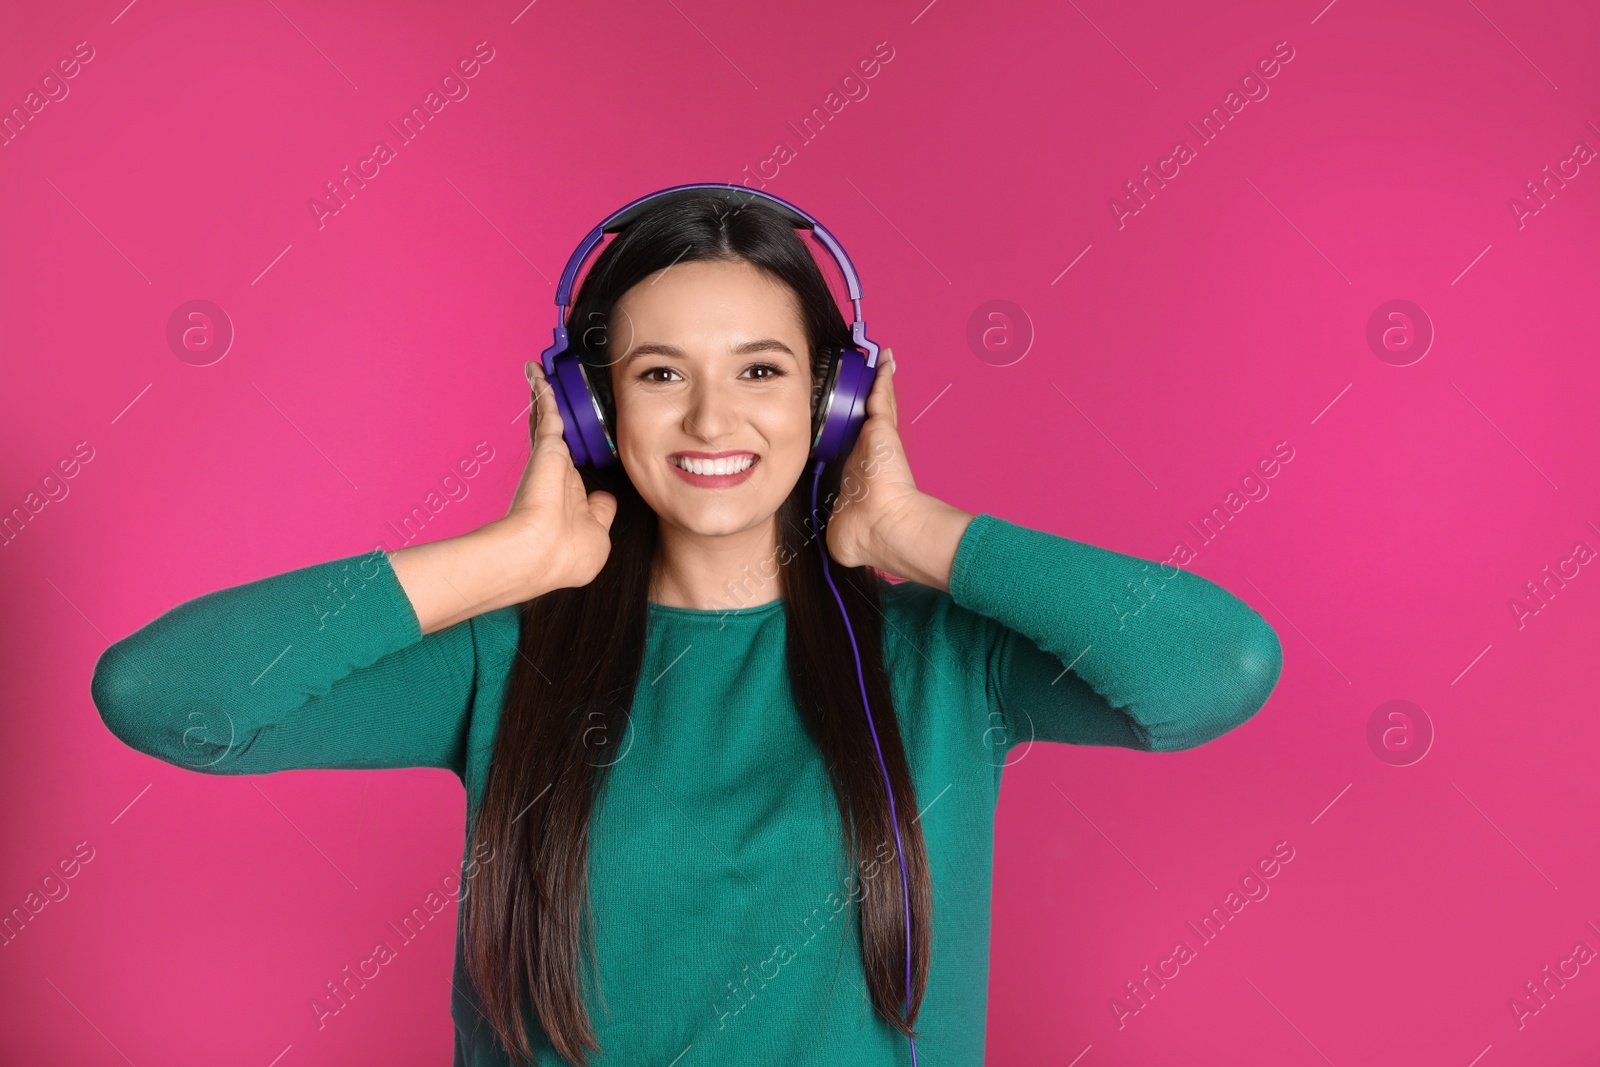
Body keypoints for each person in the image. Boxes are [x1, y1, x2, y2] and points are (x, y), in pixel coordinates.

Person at [90, 191, 1284, 1067]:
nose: (713, 414)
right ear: (591, 407)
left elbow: (1215, 670)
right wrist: (511, 555)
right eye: (660, 373)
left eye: (761, 369)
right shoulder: (504, 650)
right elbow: (165, 698)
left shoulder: (942, 658)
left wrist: (918, 531)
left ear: (834, 398)